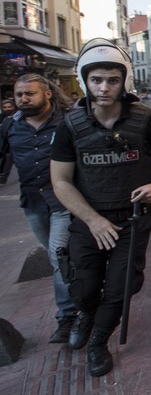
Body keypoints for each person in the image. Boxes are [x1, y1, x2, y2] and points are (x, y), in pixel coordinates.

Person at [50, 38, 151, 376]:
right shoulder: (69, 126)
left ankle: (99, 342)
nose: (104, 87)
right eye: (97, 80)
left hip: (132, 220)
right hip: (88, 222)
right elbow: (61, 181)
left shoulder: (144, 118)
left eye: (112, 80)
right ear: (85, 81)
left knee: (122, 286)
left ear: (124, 80)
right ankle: (85, 313)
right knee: (85, 287)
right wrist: (93, 221)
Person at [1, 75, 75, 342]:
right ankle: (85, 292)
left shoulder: (68, 121)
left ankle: (66, 318)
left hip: (64, 202)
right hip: (33, 204)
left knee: (58, 256)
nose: (23, 99)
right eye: (19, 94)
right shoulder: (10, 126)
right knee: (64, 260)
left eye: (29, 93)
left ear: (48, 95)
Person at [1, 98, 16, 183]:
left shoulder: (17, 118)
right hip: (5, 144)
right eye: (5, 107)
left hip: (13, 144)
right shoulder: (3, 118)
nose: (7, 109)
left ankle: (4, 176)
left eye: (9, 107)